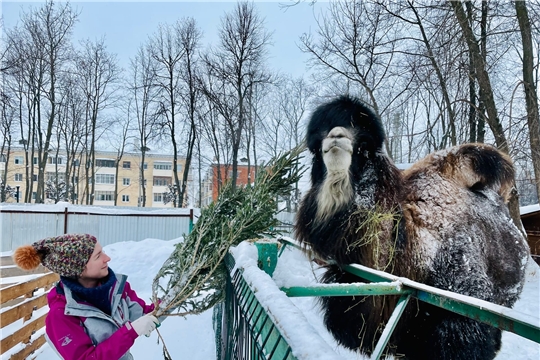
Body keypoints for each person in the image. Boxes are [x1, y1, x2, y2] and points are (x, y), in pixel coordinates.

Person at [13, 234, 159, 360]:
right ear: (78, 270)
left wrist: (177, 293)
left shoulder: (117, 289)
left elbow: (147, 316)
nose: (107, 258)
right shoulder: (61, 314)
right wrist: (130, 332)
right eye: (98, 256)